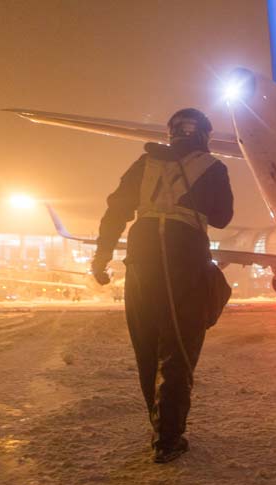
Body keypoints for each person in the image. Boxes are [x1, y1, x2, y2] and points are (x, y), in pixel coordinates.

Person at [91, 108, 233, 463]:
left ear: (171, 133)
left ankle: (158, 426)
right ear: (204, 135)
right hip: (184, 254)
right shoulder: (212, 166)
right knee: (179, 346)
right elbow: (222, 217)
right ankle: (168, 438)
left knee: (147, 344)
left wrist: (102, 254)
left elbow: (116, 210)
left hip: (142, 255)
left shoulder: (146, 163)